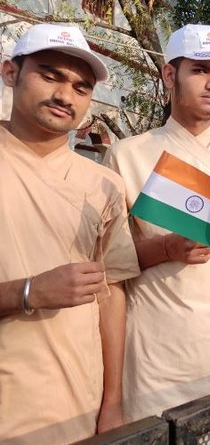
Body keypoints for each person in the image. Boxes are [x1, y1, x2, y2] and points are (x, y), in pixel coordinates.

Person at [104, 24, 210, 422]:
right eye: (200, 70)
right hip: (153, 358)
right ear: (170, 75)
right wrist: (165, 248)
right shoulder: (127, 155)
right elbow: (111, 264)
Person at [0, 24, 140, 443]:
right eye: (49, 75)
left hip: (77, 399)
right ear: (11, 72)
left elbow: (113, 293)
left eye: (81, 87)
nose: (65, 96)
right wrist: (27, 293)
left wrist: (112, 401)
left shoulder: (104, 185)